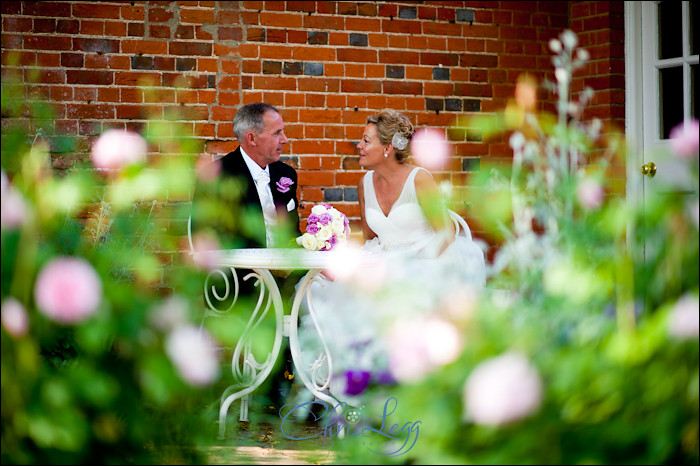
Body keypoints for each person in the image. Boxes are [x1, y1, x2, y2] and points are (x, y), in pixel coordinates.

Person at [295, 109, 486, 406]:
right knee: (324, 292)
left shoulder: (419, 179)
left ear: (387, 148)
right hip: (382, 260)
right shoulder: (364, 183)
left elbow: (446, 233)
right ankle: (355, 390)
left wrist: (416, 262)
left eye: (365, 140)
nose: (358, 146)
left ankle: (405, 393)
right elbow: (371, 238)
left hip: (425, 262)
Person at [190, 102, 301, 415]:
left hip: (284, 278)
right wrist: (266, 264)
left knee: (322, 294)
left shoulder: (286, 175)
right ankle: (274, 390)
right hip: (236, 279)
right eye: (277, 132)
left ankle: (303, 388)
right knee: (295, 301)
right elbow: (208, 239)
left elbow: (292, 235)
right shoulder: (218, 176)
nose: (285, 139)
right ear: (252, 138)